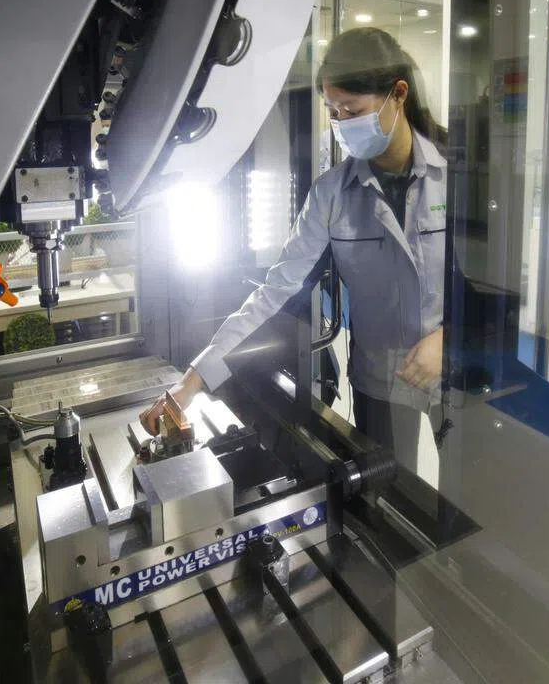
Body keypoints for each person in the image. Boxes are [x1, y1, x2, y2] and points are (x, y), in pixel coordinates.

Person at [143, 27, 448, 469]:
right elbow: (276, 291)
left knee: (470, 496)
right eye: (334, 111)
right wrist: (192, 382)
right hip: (381, 379)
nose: (342, 124)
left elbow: (492, 284)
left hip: (459, 370)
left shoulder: (454, 170)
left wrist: (451, 340)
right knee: (391, 497)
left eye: (353, 110)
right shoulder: (331, 194)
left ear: (397, 94)